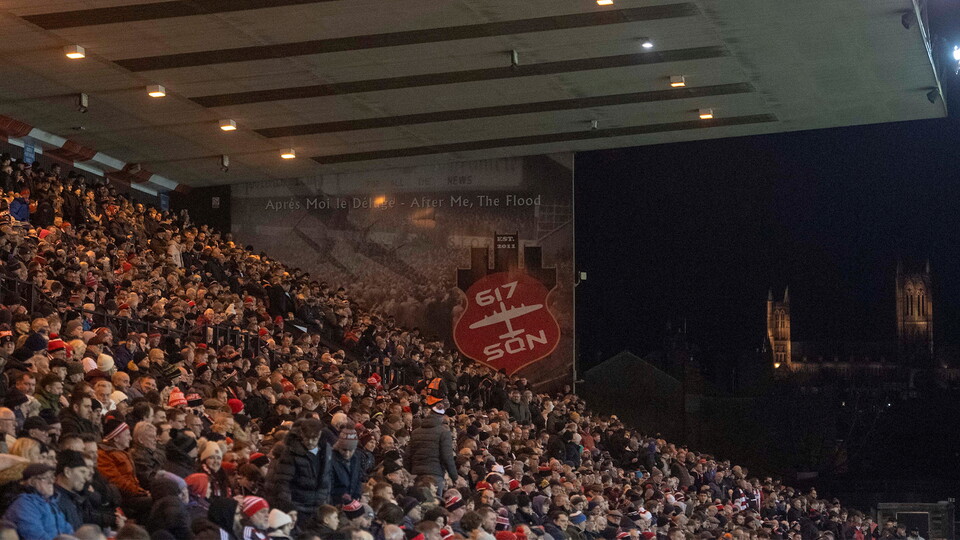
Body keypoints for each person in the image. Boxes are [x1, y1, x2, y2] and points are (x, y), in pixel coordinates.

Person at [266, 418, 331, 521]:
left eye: (314, 439)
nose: (310, 442)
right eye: (307, 438)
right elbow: (283, 482)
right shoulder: (291, 452)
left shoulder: (326, 450)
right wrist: (288, 509)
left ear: (319, 435)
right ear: (301, 434)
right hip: (298, 508)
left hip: (319, 507)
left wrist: (326, 501)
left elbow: (328, 477)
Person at [3, 463, 74, 540]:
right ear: (31, 482)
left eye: (52, 477)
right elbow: (36, 536)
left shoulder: (51, 503)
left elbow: (68, 530)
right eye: (45, 478)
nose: (51, 481)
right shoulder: (23, 504)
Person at [407, 404, 458, 494]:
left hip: (416, 474)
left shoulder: (415, 432)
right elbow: (447, 457)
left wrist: (410, 473)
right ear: (441, 417)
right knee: (434, 503)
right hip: (435, 474)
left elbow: (408, 455)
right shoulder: (444, 432)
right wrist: (454, 477)